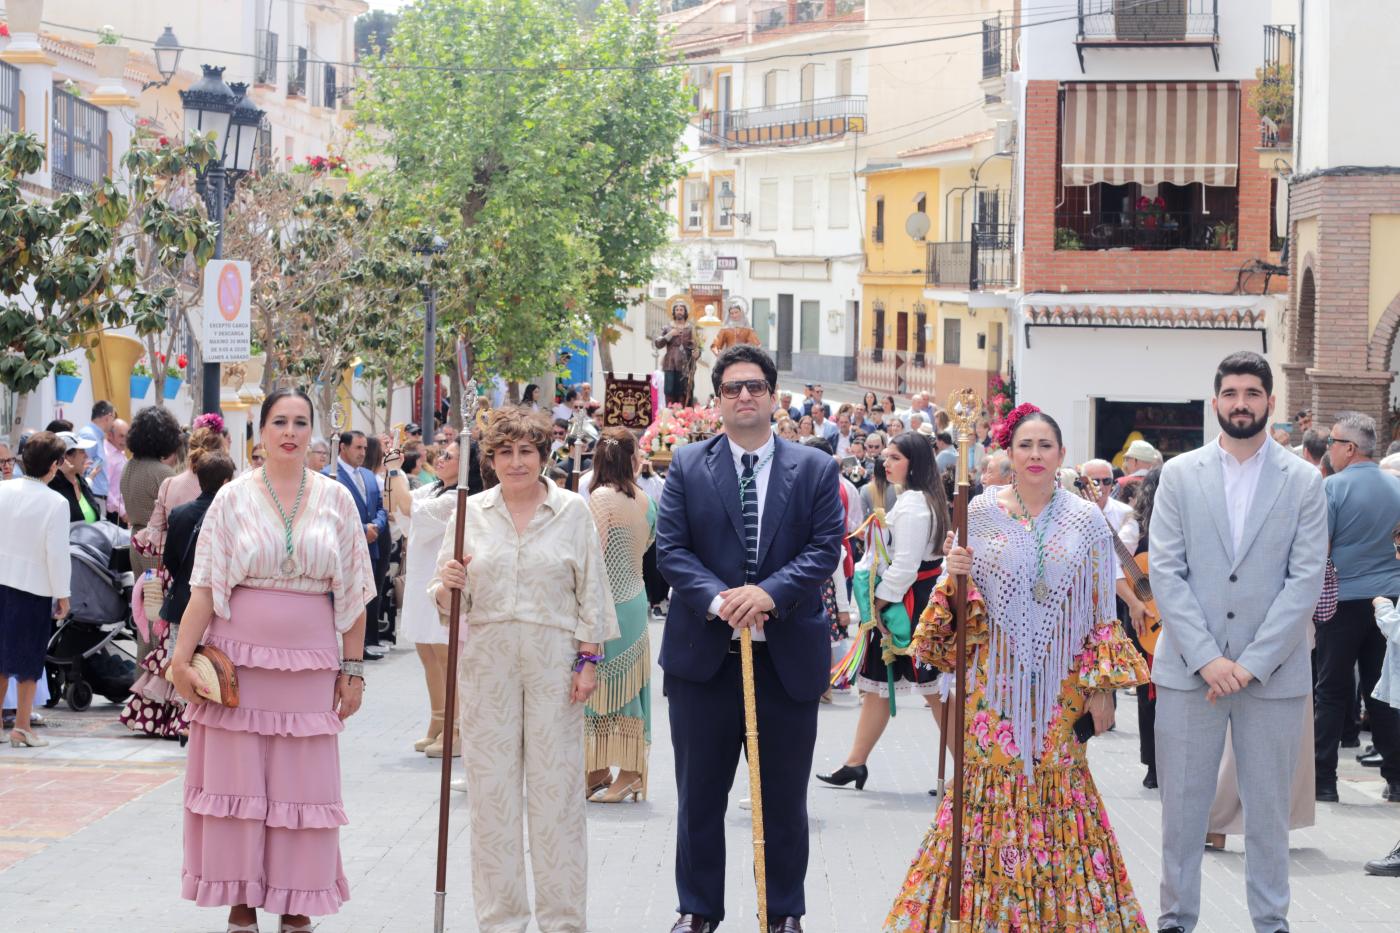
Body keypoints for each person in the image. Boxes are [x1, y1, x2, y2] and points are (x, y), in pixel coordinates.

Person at [885, 405, 1148, 931]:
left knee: (1061, 788)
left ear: (1061, 456)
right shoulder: (977, 513)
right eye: (1024, 446)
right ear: (1009, 452)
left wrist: (1102, 690)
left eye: (1044, 446)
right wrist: (955, 574)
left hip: (1063, 683)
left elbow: (1100, 609)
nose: (1034, 455)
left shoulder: (1087, 519)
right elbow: (955, 611)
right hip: (993, 681)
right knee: (986, 787)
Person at [167, 389, 372, 933]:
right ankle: (241, 907)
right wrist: (179, 660)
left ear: (313, 433)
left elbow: (354, 596)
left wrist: (352, 672)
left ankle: (296, 904)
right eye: (279, 421)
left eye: (301, 422)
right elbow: (205, 587)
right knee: (236, 787)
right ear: (259, 433)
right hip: (236, 667)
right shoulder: (231, 498)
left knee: (303, 788)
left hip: (309, 668)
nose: (290, 431)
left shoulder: (338, 500)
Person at [656, 344, 844, 933]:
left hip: (784, 661)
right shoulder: (687, 465)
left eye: (755, 387)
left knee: (785, 801)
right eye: (733, 388)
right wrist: (723, 600)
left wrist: (768, 593)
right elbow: (671, 550)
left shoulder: (814, 468)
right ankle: (698, 909)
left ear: (771, 395)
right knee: (700, 799)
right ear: (717, 399)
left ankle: (784, 911)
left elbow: (824, 548)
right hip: (703, 661)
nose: (744, 396)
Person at [1150, 351, 1326, 933]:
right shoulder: (1179, 474)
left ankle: (1271, 922)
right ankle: (1176, 919)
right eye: (1231, 393)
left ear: (1270, 403)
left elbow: (1305, 580)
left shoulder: (1303, 481)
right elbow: (1166, 574)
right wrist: (1207, 659)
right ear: (1216, 401)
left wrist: (1247, 665)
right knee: (1182, 810)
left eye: (1253, 393)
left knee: (1269, 813)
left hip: (1271, 678)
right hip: (1187, 673)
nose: (1241, 403)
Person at [430, 406, 617, 933]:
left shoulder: (572, 511)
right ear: (490, 459)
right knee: (492, 798)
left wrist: (588, 661)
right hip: (487, 664)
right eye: (505, 452)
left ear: (543, 456)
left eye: (526, 451)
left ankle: (562, 922)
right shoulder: (469, 512)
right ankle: (502, 921)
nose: (516, 462)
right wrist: (448, 583)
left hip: (555, 664)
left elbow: (592, 594)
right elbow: (448, 604)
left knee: (556, 797)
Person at [818, 432, 948, 791]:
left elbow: (905, 564)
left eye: (894, 457)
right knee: (879, 688)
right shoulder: (916, 500)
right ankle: (855, 762)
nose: (885, 463)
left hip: (906, 605)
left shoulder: (914, 505)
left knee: (934, 689)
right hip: (904, 600)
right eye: (886, 457)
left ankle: (971, 771)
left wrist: (878, 603)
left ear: (914, 463)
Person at [1315, 411, 1400, 803]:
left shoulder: (1332, 489)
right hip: (1388, 603)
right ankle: (1397, 779)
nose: (1329, 449)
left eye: (1332, 442)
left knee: (1331, 691)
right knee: (1384, 691)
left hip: (1343, 601)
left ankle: (1323, 780)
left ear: (1349, 448)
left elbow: (1322, 549)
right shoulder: (1396, 487)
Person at [584, 428, 658, 804]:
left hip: (605, 601)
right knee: (628, 689)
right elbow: (646, 547)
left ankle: (624, 774)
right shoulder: (645, 499)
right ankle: (604, 770)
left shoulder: (600, 498)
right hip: (634, 601)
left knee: (595, 684)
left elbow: (591, 553)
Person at [0, 432, 70, 748]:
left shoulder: (3, 489)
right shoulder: (55, 501)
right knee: (28, 659)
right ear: (54, 465)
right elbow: (56, 553)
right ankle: (22, 726)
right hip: (32, 587)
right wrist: (63, 595)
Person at [399, 441, 463, 760]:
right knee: (426, 651)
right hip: (421, 574)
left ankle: (456, 727)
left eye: (449, 456)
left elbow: (409, 509)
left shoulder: (457, 497)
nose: (441, 459)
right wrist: (391, 475)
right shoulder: (436, 490)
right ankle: (437, 720)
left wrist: (395, 470)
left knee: (445, 654)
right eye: (441, 454)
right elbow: (401, 506)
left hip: (442, 577)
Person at [325, 431, 389, 661]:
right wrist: (362, 529)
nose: (363, 453)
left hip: (371, 546)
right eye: (358, 448)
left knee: (365, 597)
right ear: (342, 447)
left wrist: (376, 526)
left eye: (365, 448)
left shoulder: (368, 476)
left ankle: (363, 645)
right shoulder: (329, 475)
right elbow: (332, 514)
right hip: (344, 548)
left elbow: (382, 506)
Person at [122, 406, 183, 580]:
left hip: (136, 543)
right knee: (158, 602)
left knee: (144, 600)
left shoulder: (128, 466)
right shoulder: (162, 472)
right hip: (157, 549)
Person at [49, 430, 101, 522]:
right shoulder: (52, 486)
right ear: (66, 456)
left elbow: (94, 516)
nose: (86, 455)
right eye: (81, 451)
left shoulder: (81, 481)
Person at [655, 302, 697, 407]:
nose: (679, 312)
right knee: (669, 389)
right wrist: (670, 334)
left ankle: (683, 414)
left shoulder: (690, 328)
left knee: (684, 390)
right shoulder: (667, 327)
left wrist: (697, 353)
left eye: (681, 310)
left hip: (685, 363)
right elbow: (658, 343)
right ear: (674, 312)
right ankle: (669, 412)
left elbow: (696, 346)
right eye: (677, 310)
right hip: (670, 362)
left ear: (685, 312)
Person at [79, 400, 115, 514]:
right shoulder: (89, 435)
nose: (113, 423)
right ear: (108, 417)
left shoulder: (96, 436)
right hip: (91, 496)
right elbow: (81, 468)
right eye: (113, 418)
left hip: (96, 497)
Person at [103, 417, 129, 524]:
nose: (125, 441)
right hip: (113, 515)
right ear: (109, 435)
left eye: (127, 436)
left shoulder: (119, 452)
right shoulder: (106, 455)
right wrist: (122, 512)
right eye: (121, 436)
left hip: (121, 513)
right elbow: (104, 488)